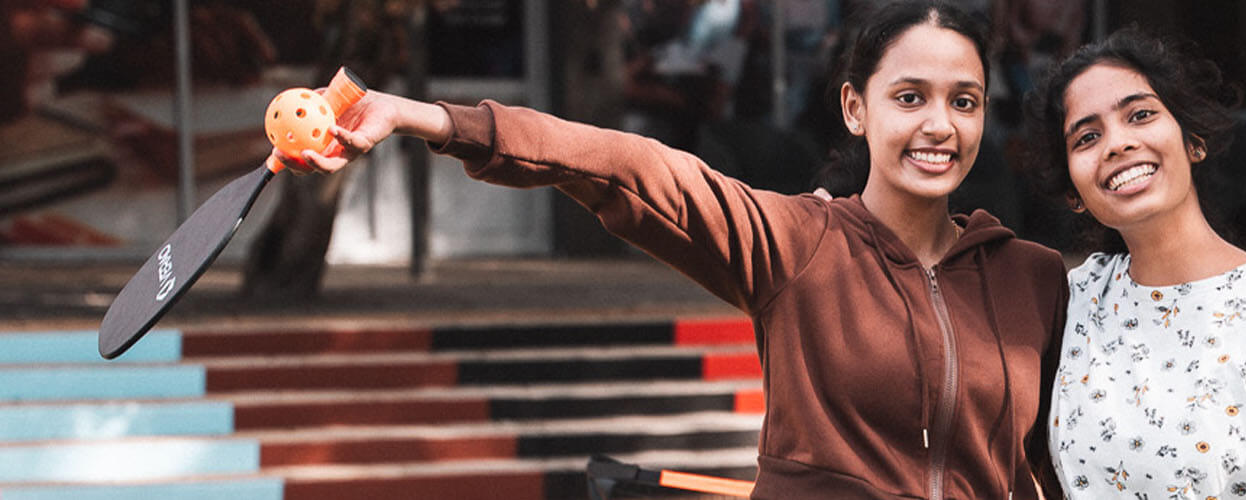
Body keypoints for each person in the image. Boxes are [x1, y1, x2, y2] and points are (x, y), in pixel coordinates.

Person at [283, 1, 1066, 498]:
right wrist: (429, 119)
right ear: (856, 109)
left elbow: (1060, 466)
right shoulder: (799, 244)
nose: (940, 125)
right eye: (910, 97)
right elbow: (623, 166)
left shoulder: (1031, 278)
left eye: (962, 101)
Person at [1020, 28, 1246, 499]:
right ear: (1073, 192)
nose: (1117, 144)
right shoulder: (1074, 301)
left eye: (1140, 115)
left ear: (1193, 141)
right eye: (1087, 137)